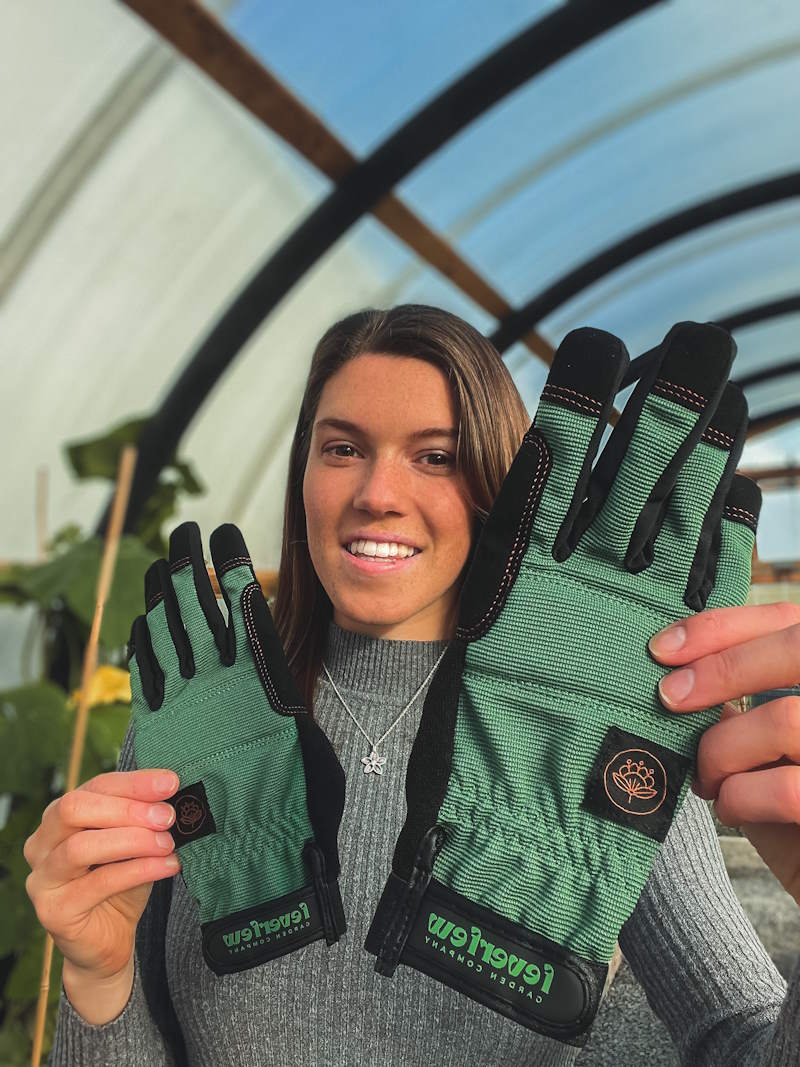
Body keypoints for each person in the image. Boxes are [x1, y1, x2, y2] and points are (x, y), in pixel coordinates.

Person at [25, 305, 800, 1065]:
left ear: (502, 487)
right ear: (303, 473)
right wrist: (100, 981)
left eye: (435, 456)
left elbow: (742, 1034)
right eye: (342, 448)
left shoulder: (609, 734)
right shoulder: (201, 716)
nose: (377, 493)